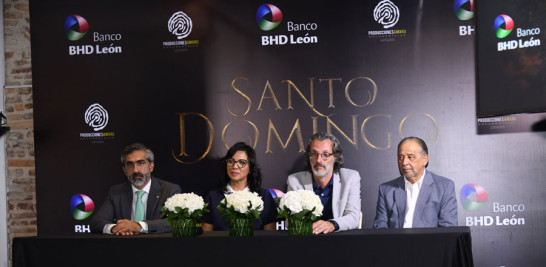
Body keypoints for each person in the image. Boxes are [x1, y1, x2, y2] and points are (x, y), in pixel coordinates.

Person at [90, 143, 181, 235]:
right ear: (125, 170)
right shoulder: (116, 192)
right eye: (130, 165)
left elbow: (175, 222)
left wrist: (139, 226)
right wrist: (115, 228)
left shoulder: (169, 190)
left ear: (151, 166)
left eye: (140, 163)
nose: (135, 170)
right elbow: (96, 222)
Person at [373, 137, 458, 229]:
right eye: (400, 157)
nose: (404, 162)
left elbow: (448, 231)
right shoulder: (386, 189)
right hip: (395, 242)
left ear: (425, 159)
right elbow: (380, 228)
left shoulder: (444, 187)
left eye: (410, 157)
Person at [287, 132, 361, 234]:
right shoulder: (295, 181)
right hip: (307, 240)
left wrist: (332, 224)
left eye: (325, 155)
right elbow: (290, 220)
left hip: (339, 241)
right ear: (309, 156)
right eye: (314, 154)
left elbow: (353, 217)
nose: (318, 160)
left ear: (335, 157)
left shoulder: (350, 178)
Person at [202, 142, 278, 231]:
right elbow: (206, 237)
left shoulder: (264, 196)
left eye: (242, 162)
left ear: (250, 168)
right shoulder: (213, 197)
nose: (235, 166)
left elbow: (270, 238)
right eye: (231, 161)